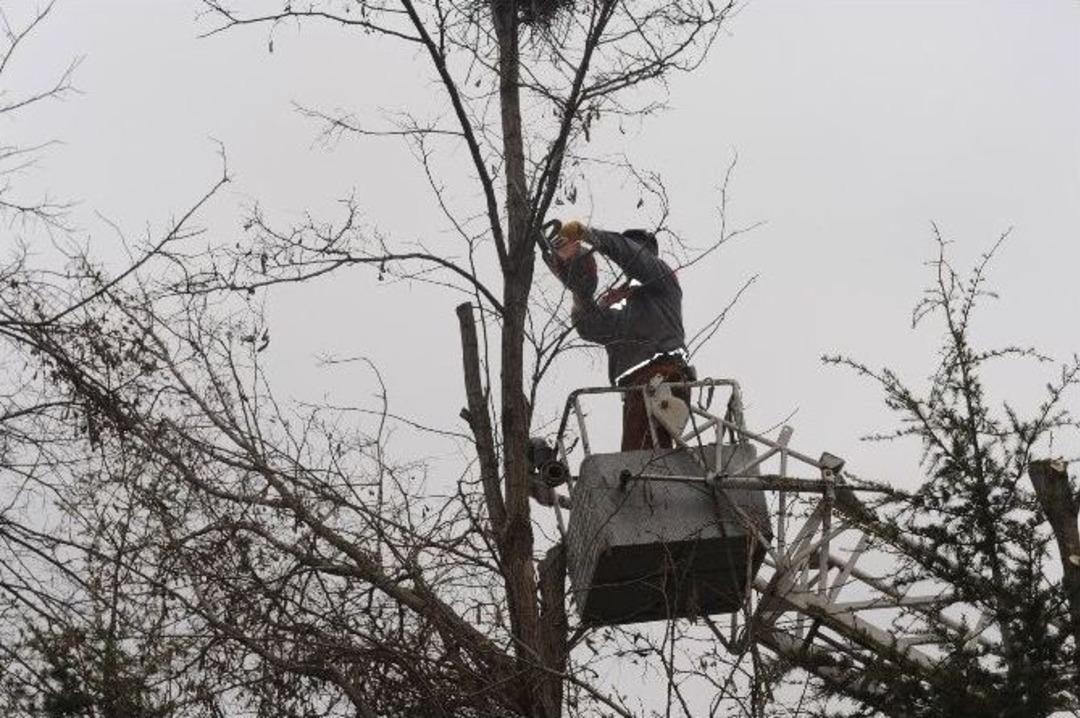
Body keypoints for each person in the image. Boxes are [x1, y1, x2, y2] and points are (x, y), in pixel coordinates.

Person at [549, 220, 693, 451]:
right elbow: (591, 327)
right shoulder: (619, 298)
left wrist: (588, 234)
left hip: (662, 376)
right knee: (637, 456)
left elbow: (634, 257)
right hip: (634, 389)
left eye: (632, 248)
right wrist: (579, 289)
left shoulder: (662, 279)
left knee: (644, 458)